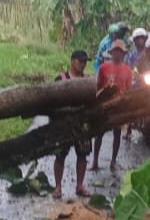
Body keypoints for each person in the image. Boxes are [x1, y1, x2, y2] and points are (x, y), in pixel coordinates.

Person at [52, 50, 92, 199]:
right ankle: (58, 187)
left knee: (82, 155)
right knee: (60, 156)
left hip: (82, 124)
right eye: (80, 61)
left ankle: (80, 186)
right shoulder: (60, 79)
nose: (83, 64)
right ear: (72, 61)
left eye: (85, 62)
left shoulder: (88, 81)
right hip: (64, 125)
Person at [93, 39, 133, 172]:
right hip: (105, 105)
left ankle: (113, 161)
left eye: (120, 52)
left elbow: (128, 90)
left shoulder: (127, 70)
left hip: (119, 106)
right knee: (99, 133)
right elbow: (98, 86)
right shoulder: (104, 68)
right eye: (115, 51)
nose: (118, 54)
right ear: (112, 53)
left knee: (117, 134)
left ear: (123, 54)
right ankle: (95, 161)